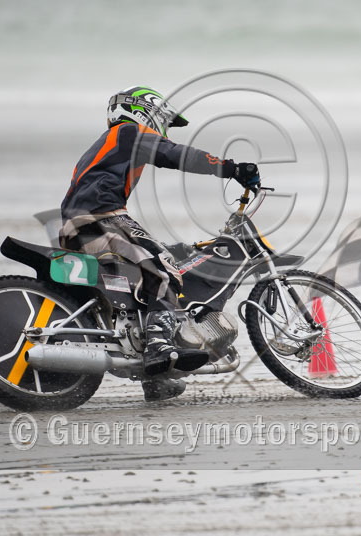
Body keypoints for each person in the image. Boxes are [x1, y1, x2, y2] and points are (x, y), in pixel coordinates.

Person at [58, 86, 260, 401]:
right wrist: (231, 168)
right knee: (163, 270)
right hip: (99, 216)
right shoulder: (128, 132)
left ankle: (156, 378)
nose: (162, 128)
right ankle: (158, 346)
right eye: (162, 120)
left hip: (83, 220)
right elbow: (175, 154)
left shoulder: (113, 145)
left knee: (145, 278)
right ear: (143, 111)